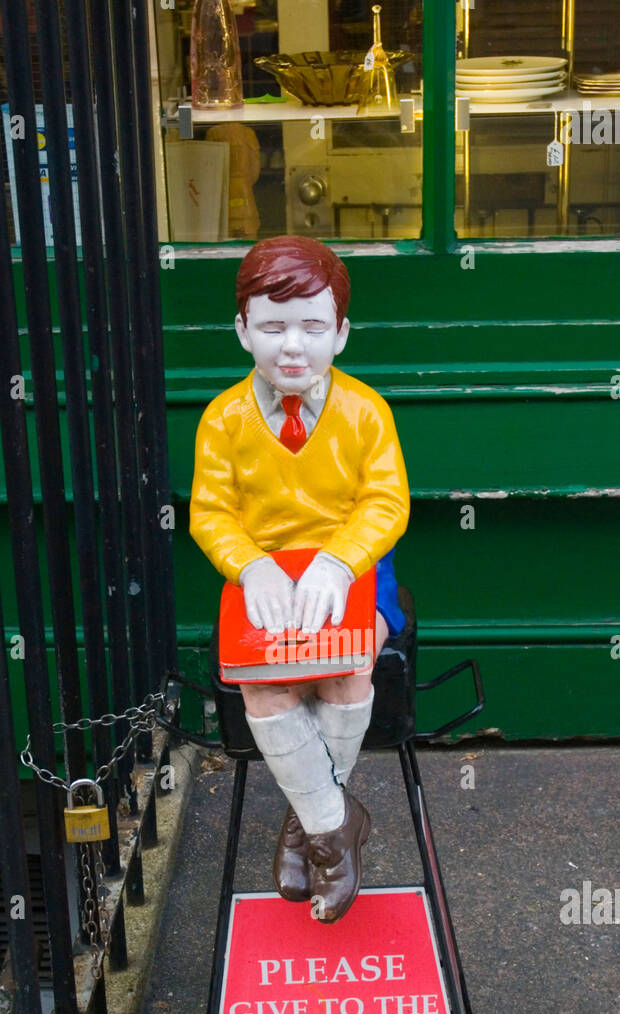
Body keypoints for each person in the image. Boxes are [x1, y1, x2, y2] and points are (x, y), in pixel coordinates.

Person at [189, 235, 410, 923]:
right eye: (272, 326)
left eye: (312, 327)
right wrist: (249, 562)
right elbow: (211, 512)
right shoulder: (223, 420)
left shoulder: (364, 411)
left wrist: (338, 560)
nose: (292, 346)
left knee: (347, 668)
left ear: (340, 334)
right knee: (265, 681)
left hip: (351, 568)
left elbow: (385, 502)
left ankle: (308, 830)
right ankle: (336, 830)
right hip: (262, 578)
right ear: (242, 330)